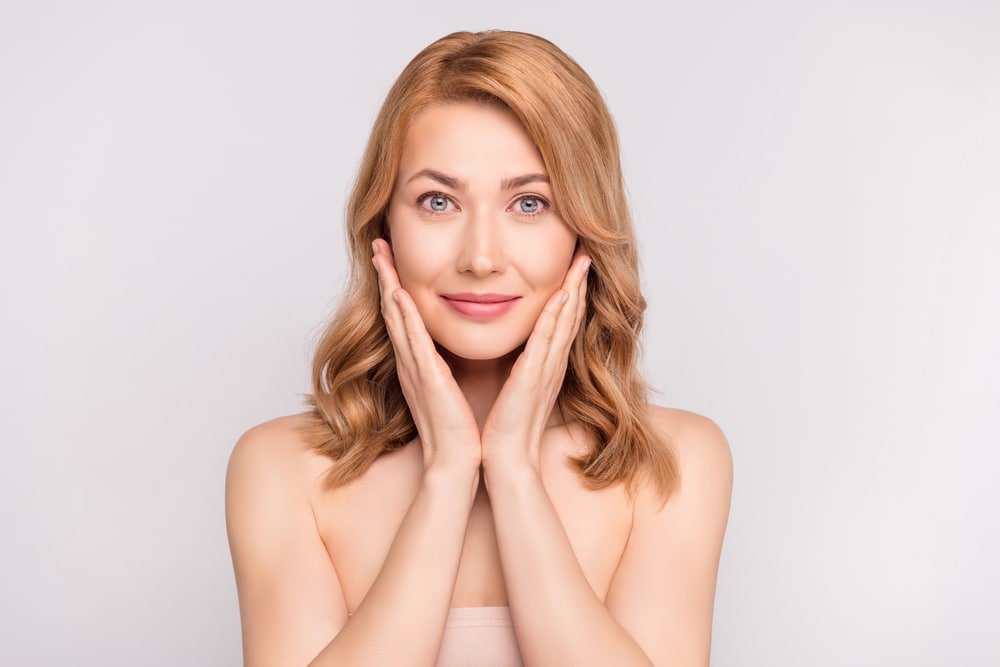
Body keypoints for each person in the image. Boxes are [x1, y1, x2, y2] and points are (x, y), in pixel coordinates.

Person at [225, 29, 733, 667]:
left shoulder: (673, 464)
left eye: (529, 203)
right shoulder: (281, 469)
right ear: (385, 225)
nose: (481, 258)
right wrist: (447, 474)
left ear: (586, 231)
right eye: (439, 202)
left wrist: (514, 472)